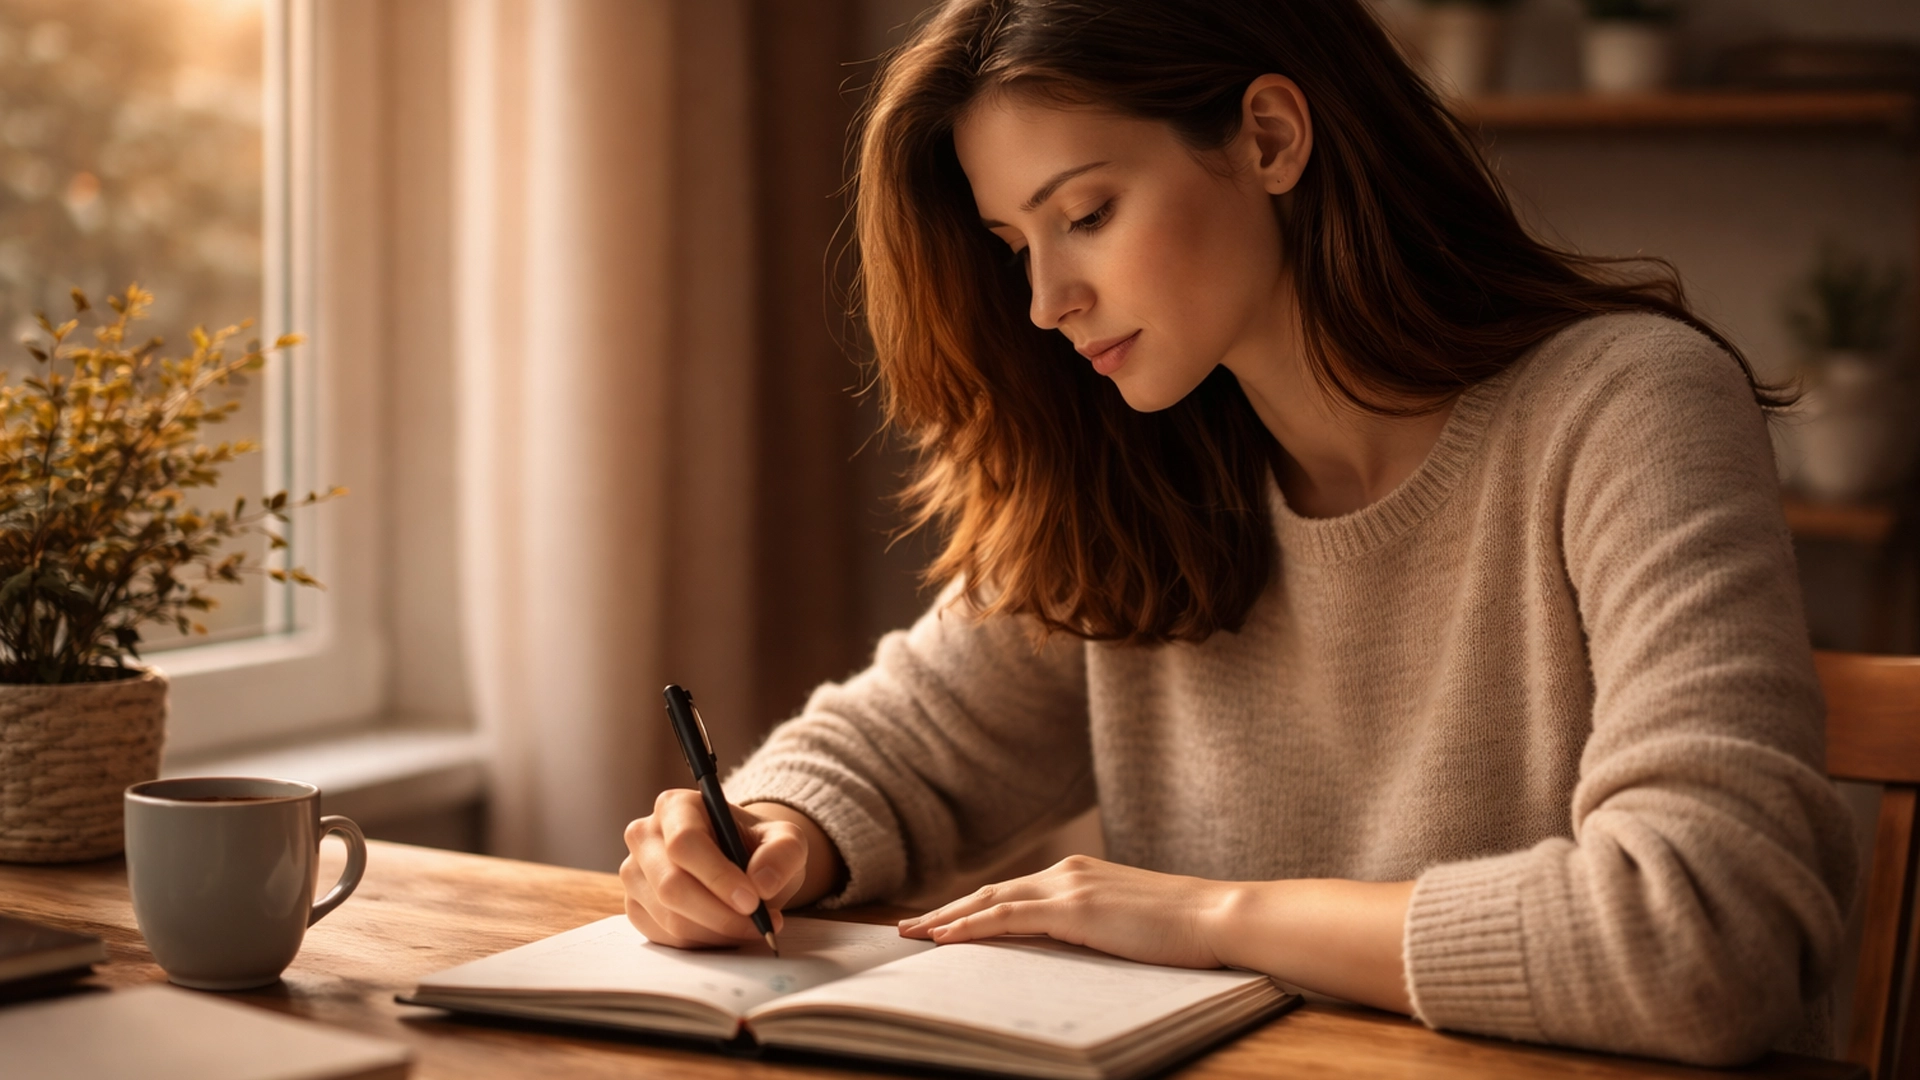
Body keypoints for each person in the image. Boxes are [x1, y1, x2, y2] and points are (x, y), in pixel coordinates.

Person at [620, 0, 1857, 1065]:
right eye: (1016, 248)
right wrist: (767, 835)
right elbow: (905, 746)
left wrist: (1210, 917)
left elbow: (1709, 930)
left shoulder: (1625, 407)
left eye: (1087, 214)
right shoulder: (1143, 470)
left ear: (1269, 137)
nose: (1048, 303)